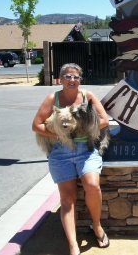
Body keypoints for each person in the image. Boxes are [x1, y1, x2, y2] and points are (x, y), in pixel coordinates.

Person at [32, 63, 110, 255]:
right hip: (60, 151)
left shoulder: (87, 96)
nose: (71, 80)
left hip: (86, 149)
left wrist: (83, 130)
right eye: (67, 76)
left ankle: (97, 226)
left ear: (80, 79)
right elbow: (36, 125)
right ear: (61, 79)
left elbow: (104, 121)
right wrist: (60, 135)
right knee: (67, 199)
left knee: (92, 185)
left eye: (75, 77)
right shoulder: (53, 98)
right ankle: (73, 244)